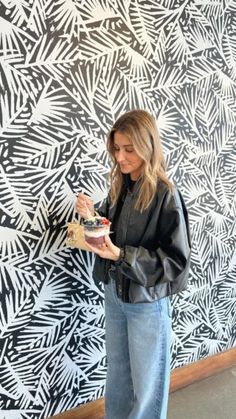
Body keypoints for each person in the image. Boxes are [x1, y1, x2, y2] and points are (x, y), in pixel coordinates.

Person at [76, 109, 191, 419]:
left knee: (147, 388)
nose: (120, 157)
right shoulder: (121, 189)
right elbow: (107, 225)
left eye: (129, 149)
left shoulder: (166, 195)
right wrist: (89, 215)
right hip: (115, 295)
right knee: (118, 382)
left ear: (148, 145)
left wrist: (121, 255)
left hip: (146, 303)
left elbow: (176, 261)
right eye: (116, 148)